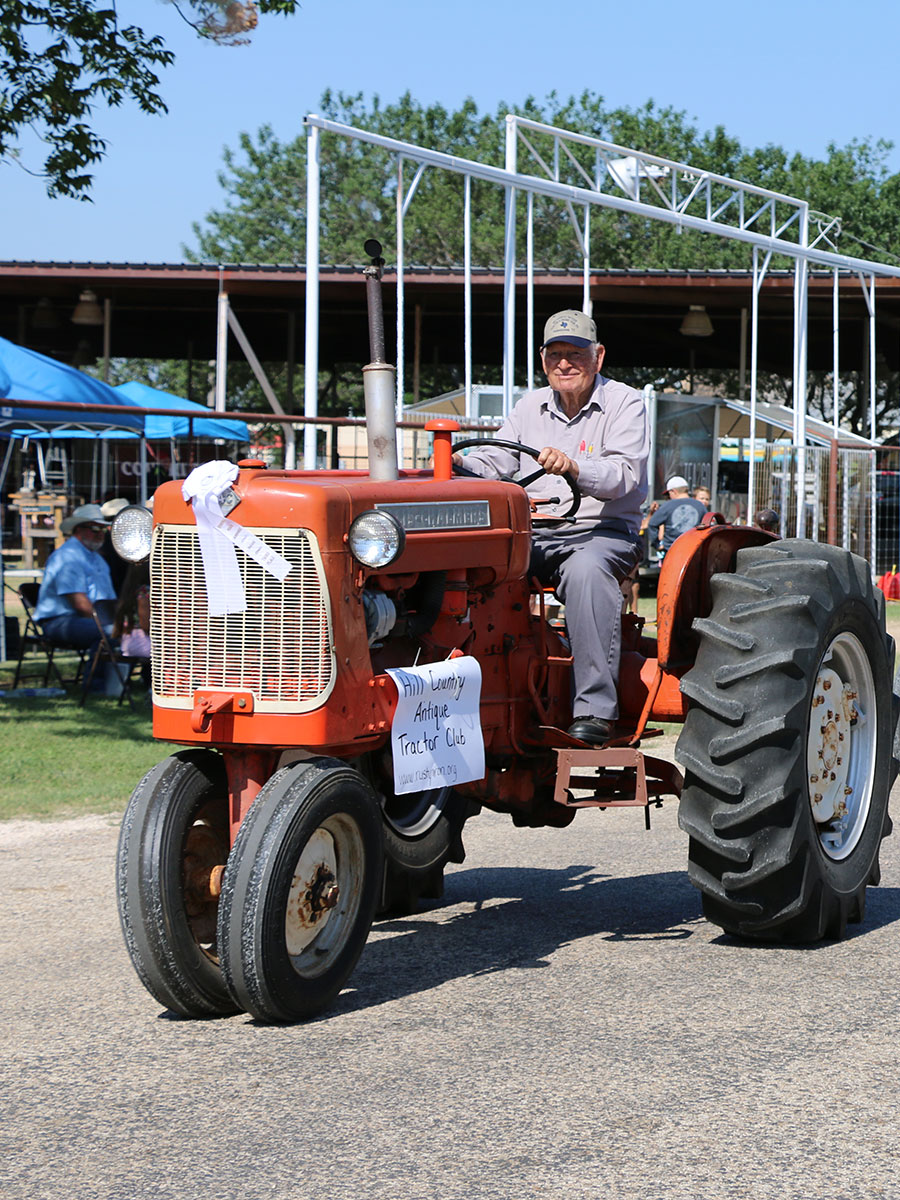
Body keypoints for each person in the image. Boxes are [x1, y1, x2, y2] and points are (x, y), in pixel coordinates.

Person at [453, 308, 649, 746]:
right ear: (543, 361)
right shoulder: (529, 406)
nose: (565, 363)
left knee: (586, 572)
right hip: (535, 534)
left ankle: (595, 710)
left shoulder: (624, 402)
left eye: (575, 353)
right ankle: (462, 700)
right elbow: (496, 463)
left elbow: (623, 475)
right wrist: (459, 463)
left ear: (597, 356)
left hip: (601, 532)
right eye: (555, 353)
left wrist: (576, 468)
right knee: (464, 567)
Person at [33, 503, 116, 652]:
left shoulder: (98, 559)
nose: (101, 534)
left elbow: (108, 602)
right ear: (79, 530)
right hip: (60, 621)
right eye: (95, 528)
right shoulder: (67, 556)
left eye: (103, 529)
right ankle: (97, 676)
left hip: (89, 619)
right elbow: (80, 604)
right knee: (111, 633)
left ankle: (136, 674)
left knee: (133, 633)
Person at [644, 476, 707, 558]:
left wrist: (657, 545)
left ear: (674, 491)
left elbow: (652, 524)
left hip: (672, 551)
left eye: (669, 494)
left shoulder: (667, 506)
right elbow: (707, 526)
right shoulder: (700, 505)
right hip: (695, 551)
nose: (669, 497)